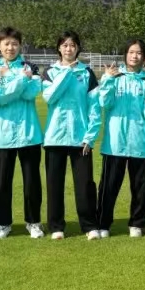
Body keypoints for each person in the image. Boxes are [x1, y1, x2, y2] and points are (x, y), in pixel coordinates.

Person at [41, 31, 101, 240]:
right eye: (65, 45)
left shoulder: (87, 73)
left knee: (85, 185)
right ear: (59, 48)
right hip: (55, 137)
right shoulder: (50, 72)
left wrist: (90, 136)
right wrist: (67, 72)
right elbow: (50, 97)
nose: (69, 49)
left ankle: (89, 225)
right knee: (54, 185)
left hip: (80, 138)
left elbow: (95, 107)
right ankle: (56, 226)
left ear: (78, 48)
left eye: (73, 45)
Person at [0, 27, 44, 240]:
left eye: (14, 43)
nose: (10, 47)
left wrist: (10, 80)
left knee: (32, 182)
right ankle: (3, 224)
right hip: (3, 136)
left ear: (20, 46)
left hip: (29, 134)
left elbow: (31, 94)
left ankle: (34, 222)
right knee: (2, 183)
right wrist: (21, 79)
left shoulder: (31, 67)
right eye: (6, 43)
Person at [95, 38, 145, 238]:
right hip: (114, 142)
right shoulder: (114, 77)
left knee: (140, 187)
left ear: (144, 57)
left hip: (139, 141)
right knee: (108, 186)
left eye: (139, 53)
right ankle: (103, 223)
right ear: (125, 55)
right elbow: (104, 103)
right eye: (131, 52)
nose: (135, 56)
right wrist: (108, 81)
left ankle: (137, 223)